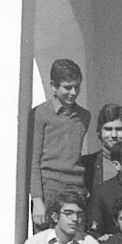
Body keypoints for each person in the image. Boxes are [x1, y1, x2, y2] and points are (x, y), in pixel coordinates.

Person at [28, 59, 91, 226]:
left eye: (77, 87)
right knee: (48, 242)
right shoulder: (40, 114)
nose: (73, 92)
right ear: (53, 86)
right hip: (49, 188)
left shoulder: (84, 117)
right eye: (67, 87)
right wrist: (37, 201)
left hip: (76, 188)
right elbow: (33, 159)